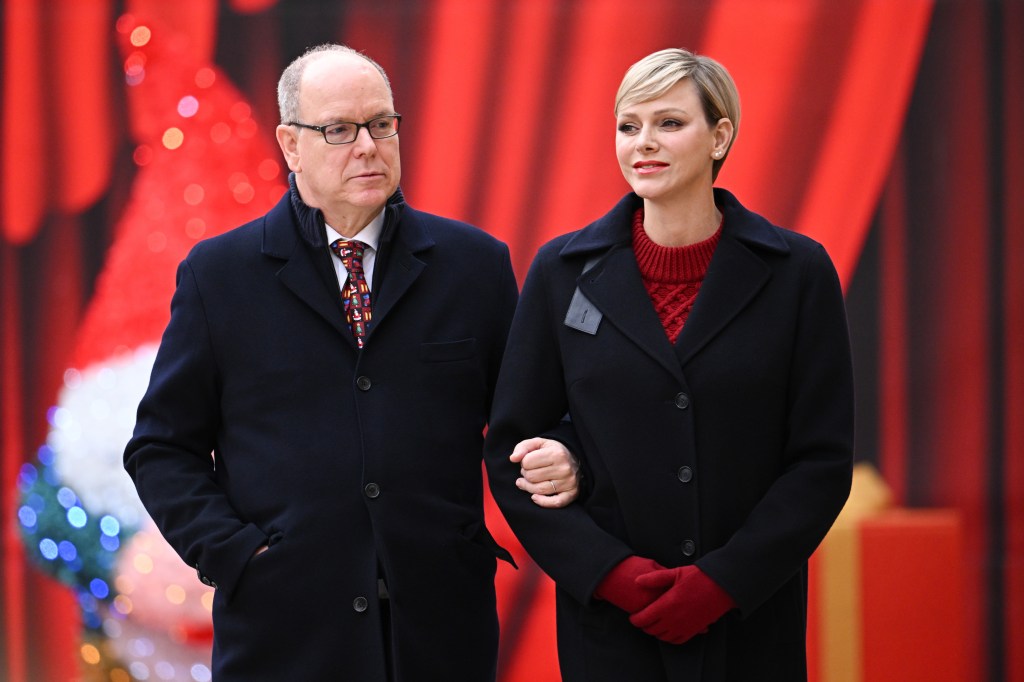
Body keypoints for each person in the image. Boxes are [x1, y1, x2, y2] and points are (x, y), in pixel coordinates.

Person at [124, 44, 580, 682]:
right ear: (290, 144)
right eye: (338, 130)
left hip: (442, 629)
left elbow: (533, 415)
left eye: (382, 125)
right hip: (284, 631)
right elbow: (160, 449)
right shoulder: (219, 277)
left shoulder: (473, 265)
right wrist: (237, 555)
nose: (367, 146)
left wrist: (559, 450)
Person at [484, 47, 854, 681]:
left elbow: (820, 462)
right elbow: (511, 450)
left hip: (750, 625)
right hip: (610, 629)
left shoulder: (800, 272)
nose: (643, 144)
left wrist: (724, 583)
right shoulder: (559, 271)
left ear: (720, 136)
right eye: (629, 126)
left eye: (669, 123)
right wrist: (613, 576)